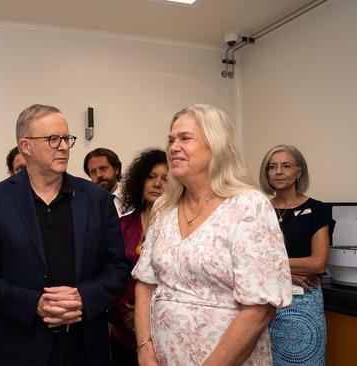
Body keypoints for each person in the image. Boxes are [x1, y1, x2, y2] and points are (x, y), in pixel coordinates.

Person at [0, 104, 130, 366]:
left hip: (86, 346)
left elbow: (117, 267)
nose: (64, 146)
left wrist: (83, 298)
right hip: (24, 346)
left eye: (66, 138)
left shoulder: (96, 200)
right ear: (26, 145)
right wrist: (35, 304)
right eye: (53, 139)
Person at [132, 104, 292, 366]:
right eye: (171, 139)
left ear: (216, 145)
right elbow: (145, 284)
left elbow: (259, 308)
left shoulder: (248, 206)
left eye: (185, 138)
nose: (173, 147)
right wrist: (145, 352)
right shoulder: (165, 207)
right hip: (163, 358)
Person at [260, 144, 332, 365]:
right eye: (272, 167)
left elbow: (318, 263)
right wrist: (287, 272)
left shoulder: (318, 210)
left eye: (286, 166)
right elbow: (245, 261)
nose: (278, 171)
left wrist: (273, 265)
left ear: (299, 172)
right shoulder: (257, 209)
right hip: (264, 302)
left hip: (304, 301)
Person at [108, 149, 168, 366]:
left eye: (165, 179)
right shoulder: (122, 225)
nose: (157, 184)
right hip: (124, 331)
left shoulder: (180, 228)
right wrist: (125, 313)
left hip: (168, 331)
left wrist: (149, 315)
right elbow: (110, 272)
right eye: (151, 177)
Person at [83, 147, 124, 216]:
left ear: (116, 169)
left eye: (103, 169)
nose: (98, 175)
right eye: (93, 172)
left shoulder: (133, 197)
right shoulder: (86, 204)